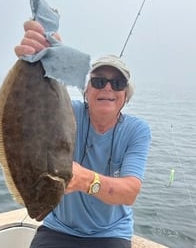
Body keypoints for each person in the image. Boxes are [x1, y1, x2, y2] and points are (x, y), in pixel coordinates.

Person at [15, 20, 151, 248]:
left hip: (110, 233)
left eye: (117, 83)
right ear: (86, 91)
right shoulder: (68, 112)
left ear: (126, 95)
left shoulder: (137, 130)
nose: (108, 88)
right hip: (58, 227)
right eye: (99, 81)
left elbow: (130, 192)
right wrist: (43, 57)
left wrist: (86, 181)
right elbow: (33, 107)